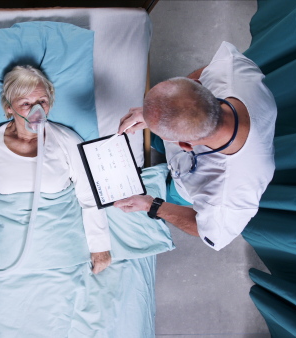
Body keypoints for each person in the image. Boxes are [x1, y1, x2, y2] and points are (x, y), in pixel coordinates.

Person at [0, 65, 112, 291]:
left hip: (56, 246)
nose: (37, 110)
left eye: (42, 102)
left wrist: (100, 247)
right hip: (4, 250)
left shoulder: (66, 141)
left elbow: (89, 194)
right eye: (26, 104)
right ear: (9, 108)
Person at [115, 41, 277, 251]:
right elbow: (205, 73)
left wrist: (151, 205)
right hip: (185, 143)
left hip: (186, 185)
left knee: (172, 194)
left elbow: (205, 230)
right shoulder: (231, 69)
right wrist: (155, 113)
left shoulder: (226, 196)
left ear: (185, 145)